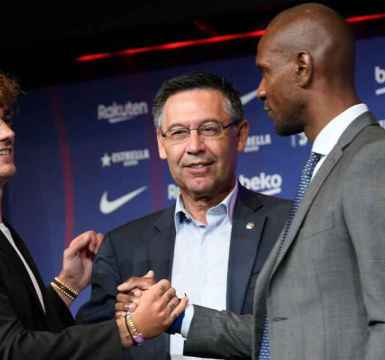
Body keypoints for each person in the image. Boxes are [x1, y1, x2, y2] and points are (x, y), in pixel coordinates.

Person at [120, 3, 385, 359]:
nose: (262, 90)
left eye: (266, 72)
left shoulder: (372, 160)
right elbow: (285, 333)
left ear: (302, 67)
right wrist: (178, 315)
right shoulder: (329, 165)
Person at [0, 66, 187, 359]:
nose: (7, 132)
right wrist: (131, 328)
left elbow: (23, 327)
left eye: (5, 119)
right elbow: (9, 352)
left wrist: (68, 284)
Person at [77, 72, 291, 359]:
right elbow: (93, 346)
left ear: (239, 136)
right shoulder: (122, 246)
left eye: (210, 129)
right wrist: (129, 325)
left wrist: (174, 314)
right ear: (161, 144)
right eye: (178, 133)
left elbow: (304, 332)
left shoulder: (289, 225)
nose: (194, 147)